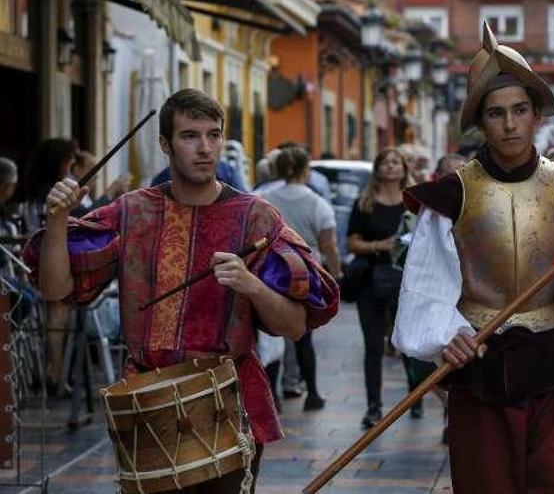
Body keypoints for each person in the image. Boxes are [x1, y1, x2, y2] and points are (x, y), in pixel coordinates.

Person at [23, 88, 339, 493]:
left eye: (213, 135)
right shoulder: (131, 211)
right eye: (190, 136)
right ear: (165, 144)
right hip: (147, 405)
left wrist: (252, 285)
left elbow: (296, 326)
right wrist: (58, 219)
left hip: (227, 402)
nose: (205, 148)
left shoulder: (257, 217)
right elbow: (55, 290)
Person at [393, 23, 554, 492]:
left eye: (519, 110)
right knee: (486, 485)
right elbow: (426, 286)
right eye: (496, 113)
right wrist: (446, 336)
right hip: (480, 364)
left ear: (537, 116)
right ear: (480, 121)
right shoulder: (450, 198)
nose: (510, 124)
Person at [347, 146, 429, 428]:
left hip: (405, 281)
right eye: (386, 162)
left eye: (396, 162)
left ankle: (415, 396)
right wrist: (376, 246)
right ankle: (373, 407)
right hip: (370, 280)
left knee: (407, 343)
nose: (391, 166)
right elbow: (351, 242)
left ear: (404, 168)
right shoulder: (365, 202)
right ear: (378, 169)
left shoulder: (415, 202)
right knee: (372, 346)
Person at [264, 147, 342, 412]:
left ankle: (272, 394)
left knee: (272, 335)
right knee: (303, 336)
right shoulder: (318, 203)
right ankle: (312, 394)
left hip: (271, 273)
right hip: (305, 275)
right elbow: (328, 244)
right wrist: (336, 272)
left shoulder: (264, 199)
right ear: (305, 171)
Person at [19, 138, 79, 394]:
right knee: (59, 312)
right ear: (62, 162)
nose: (72, 166)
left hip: (26, 260)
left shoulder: (31, 186)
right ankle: (54, 371)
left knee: (55, 314)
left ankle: (51, 370)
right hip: (45, 259)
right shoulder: (54, 191)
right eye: (70, 161)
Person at [70, 151, 129, 217]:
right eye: (92, 169)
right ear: (77, 170)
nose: (96, 175)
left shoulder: (84, 193)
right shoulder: (71, 190)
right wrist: (110, 192)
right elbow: (87, 216)